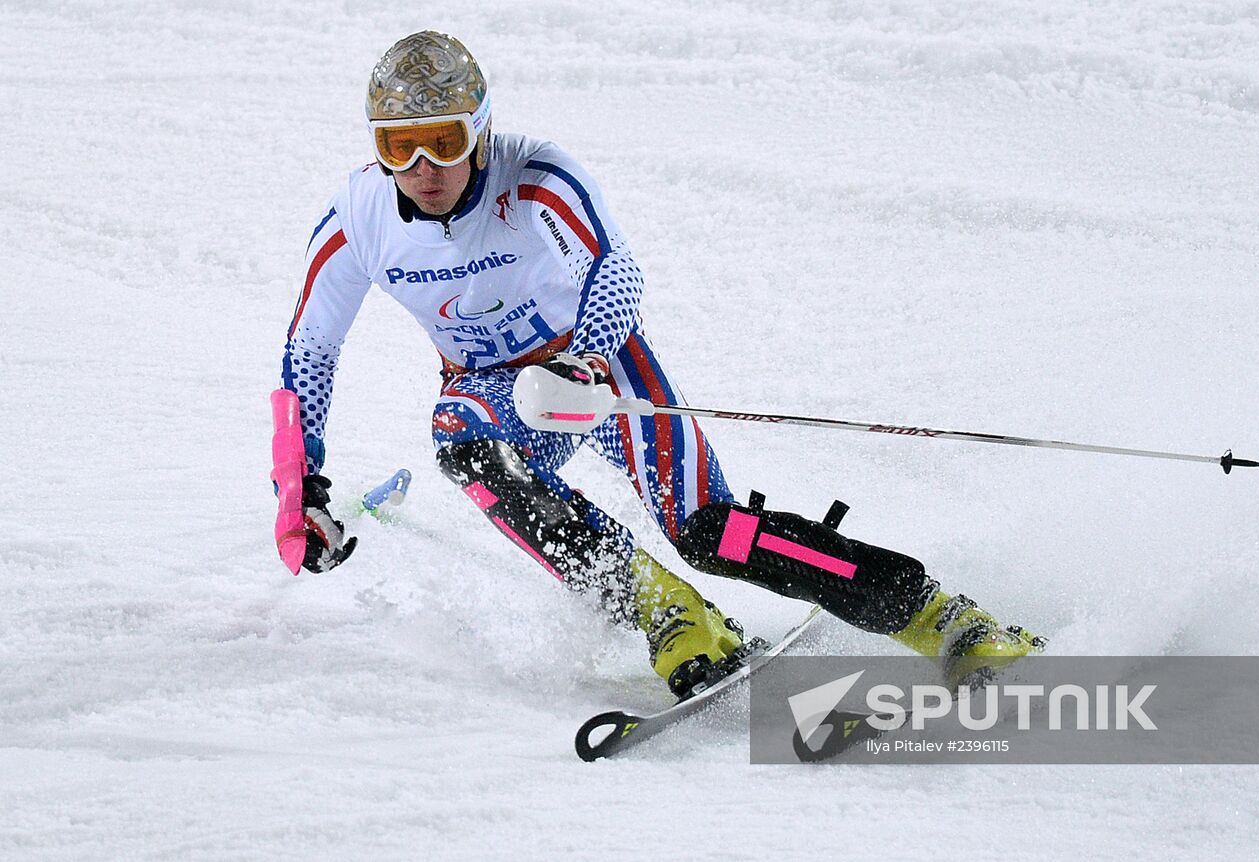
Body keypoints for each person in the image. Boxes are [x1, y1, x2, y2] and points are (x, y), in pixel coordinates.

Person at [280, 30, 1044, 699]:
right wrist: (299, 485)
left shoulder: (537, 175)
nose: (422, 168)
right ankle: (667, 612)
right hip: (492, 393)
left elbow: (616, 270)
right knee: (461, 439)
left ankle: (943, 619)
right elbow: (309, 351)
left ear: (480, 130)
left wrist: (584, 363)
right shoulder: (360, 217)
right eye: (397, 146)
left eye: (443, 141)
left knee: (710, 530)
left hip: (597, 368)